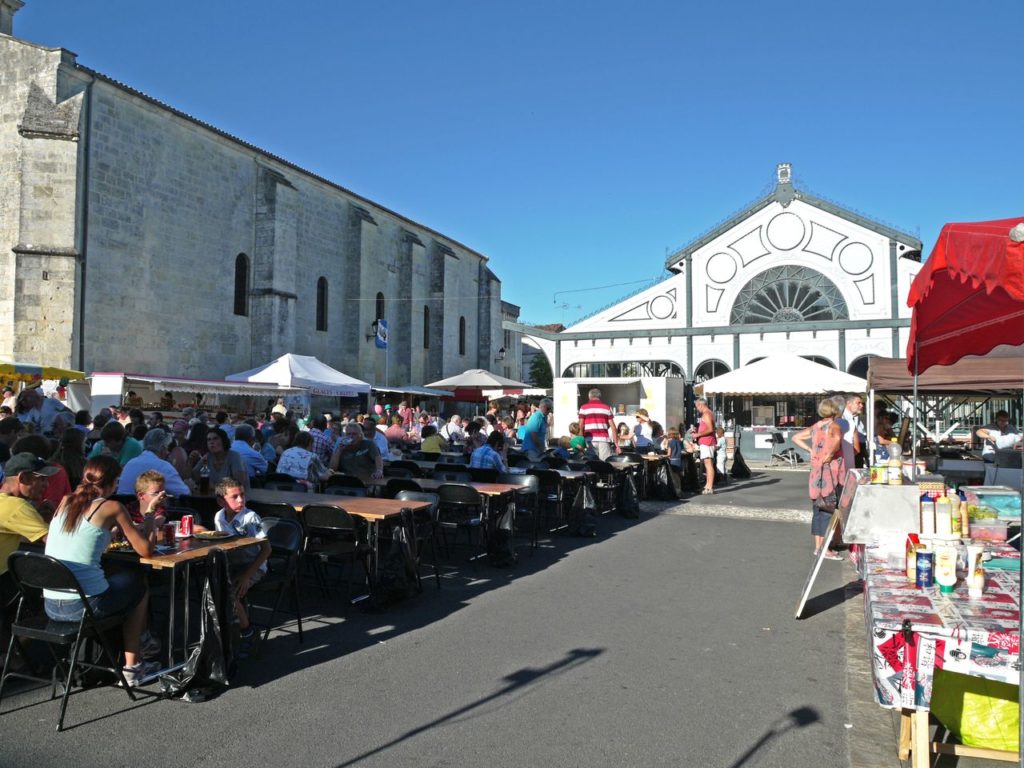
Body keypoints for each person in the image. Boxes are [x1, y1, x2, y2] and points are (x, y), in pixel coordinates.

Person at [43, 455, 161, 686]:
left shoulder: (67, 500)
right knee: (139, 584)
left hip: (51, 604)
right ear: (113, 482)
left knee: (116, 577)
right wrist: (150, 515)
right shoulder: (112, 506)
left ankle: (132, 649)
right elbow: (146, 550)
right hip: (84, 606)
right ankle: (133, 665)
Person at [212, 478, 271, 659]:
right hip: (233, 565)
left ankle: (248, 632)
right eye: (234, 497)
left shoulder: (250, 518)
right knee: (213, 586)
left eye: (242, 495)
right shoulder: (219, 516)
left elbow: (266, 550)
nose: (240, 500)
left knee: (231, 591)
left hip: (253, 566)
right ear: (221, 501)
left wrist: (247, 576)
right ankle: (224, 634)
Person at [792, 398, 846, 561]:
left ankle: (818, 547)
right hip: (829, 471)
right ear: (834, 410)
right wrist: (830, 454)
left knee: (818, 507)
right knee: (828, 507)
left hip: (816, 471)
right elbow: (837, 440)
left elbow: (796, 437)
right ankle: (825, 548)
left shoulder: (816, 426)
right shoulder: (834, 425)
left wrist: (810, 449)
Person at [0, 453, 52, 582]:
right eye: (42, 479)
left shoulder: (6, 503)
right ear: (22, 478)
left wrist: (37, 515)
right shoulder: (17, 506)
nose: (47, 485)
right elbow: (54, 540)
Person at [115, 428, 192, 496]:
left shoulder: (130, 463)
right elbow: (184, 494)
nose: (168, 452)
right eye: (167, 448)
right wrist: (189, 487)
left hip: (124, 508)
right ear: (162, 448)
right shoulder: (163, 466)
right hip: (145, 510)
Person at [194, 427, 249, 492]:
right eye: (209, 440)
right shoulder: (207, 457)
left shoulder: (234, 456)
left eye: (215, 439)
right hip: (213, 498)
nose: (211, 442)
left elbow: (239, 483)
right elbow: (194, 477)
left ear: (223, 440)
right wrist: (190, 461)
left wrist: (213, 487)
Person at [578, 388, 619, 460]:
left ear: (589, 396)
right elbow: (613, 427)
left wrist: (581, 441)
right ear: (600, 396)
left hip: (589, 440)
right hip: (604, 439)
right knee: (604, 464)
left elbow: (580, 426)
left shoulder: (583, 408)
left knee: (591, 464)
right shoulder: (607, 408)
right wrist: (616, 444)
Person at [692, 398, 717, 494]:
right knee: (707, 463)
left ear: (701, 405)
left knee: (708, 463)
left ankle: (709, 487)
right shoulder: (709, 413)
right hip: (707, 441)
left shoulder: (706, 414)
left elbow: (710, 429)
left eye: (697, 407)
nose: (697, 409)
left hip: (707, 442)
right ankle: (707, 485)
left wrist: (698, 434)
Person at [840, 394, 865, 469]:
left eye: (862, 403)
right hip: (849, 454)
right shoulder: (842, 418)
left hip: (858, 454)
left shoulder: (857, 418)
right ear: (849, 403)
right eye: (858, 403)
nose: (861, 405)